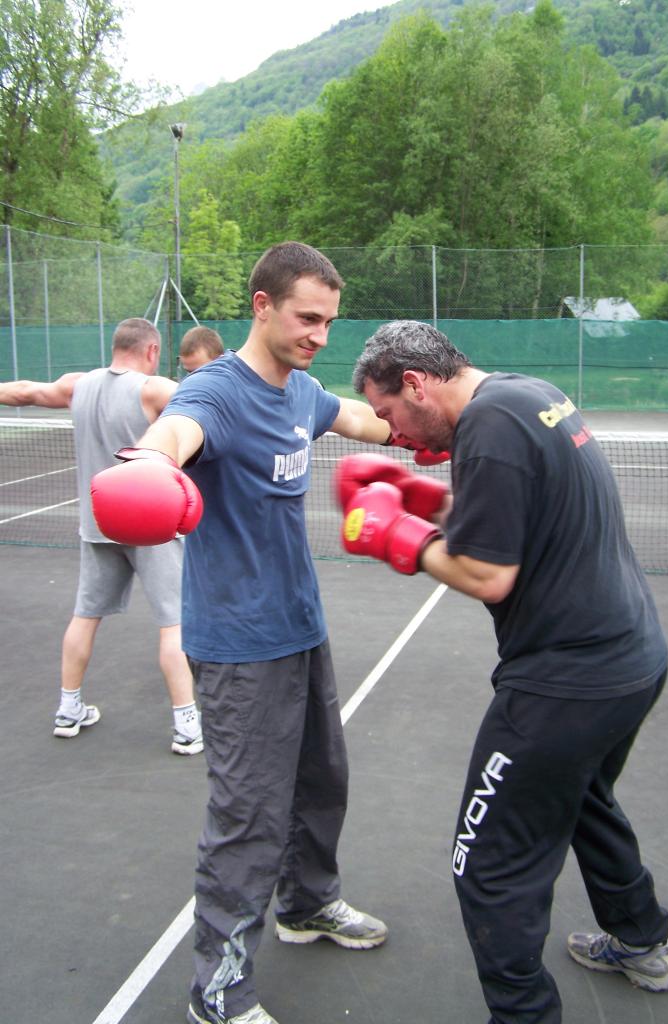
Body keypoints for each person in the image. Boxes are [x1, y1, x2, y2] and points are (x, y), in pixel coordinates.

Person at [90, 243, 400, 1024]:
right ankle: (218, 990)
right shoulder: (218, 392)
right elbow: (175, 433)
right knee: (247, 817)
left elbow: (355, 414)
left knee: (322, 782)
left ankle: (308, 904)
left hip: (300, 624)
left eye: (329, 321)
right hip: (236, 644)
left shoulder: (299, 391)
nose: (319, 334)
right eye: (307, 318)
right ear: (261, 305)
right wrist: (147, 468)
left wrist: (421, 429)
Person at [338, 320, 668, 1024]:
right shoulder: (525, 395)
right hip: (632, 657)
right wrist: (424, 498)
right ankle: (642, 940)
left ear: (416, 383)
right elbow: (512, 510)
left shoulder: (487, 428)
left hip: (566, 681)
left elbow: (489, 572)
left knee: (486, 863)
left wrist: (398, 535)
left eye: (389, 412)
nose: (392, 432)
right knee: (582, 798)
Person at [0, 317, 203, 755]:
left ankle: (68, 708)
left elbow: (23, 391)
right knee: (174, 624)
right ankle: (187, 724)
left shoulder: (78, 385)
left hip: (99, 523)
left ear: (116, 346)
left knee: (84, 616)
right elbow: (212, 404)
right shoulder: (152, 389)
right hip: (150, 526)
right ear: (151, 351)